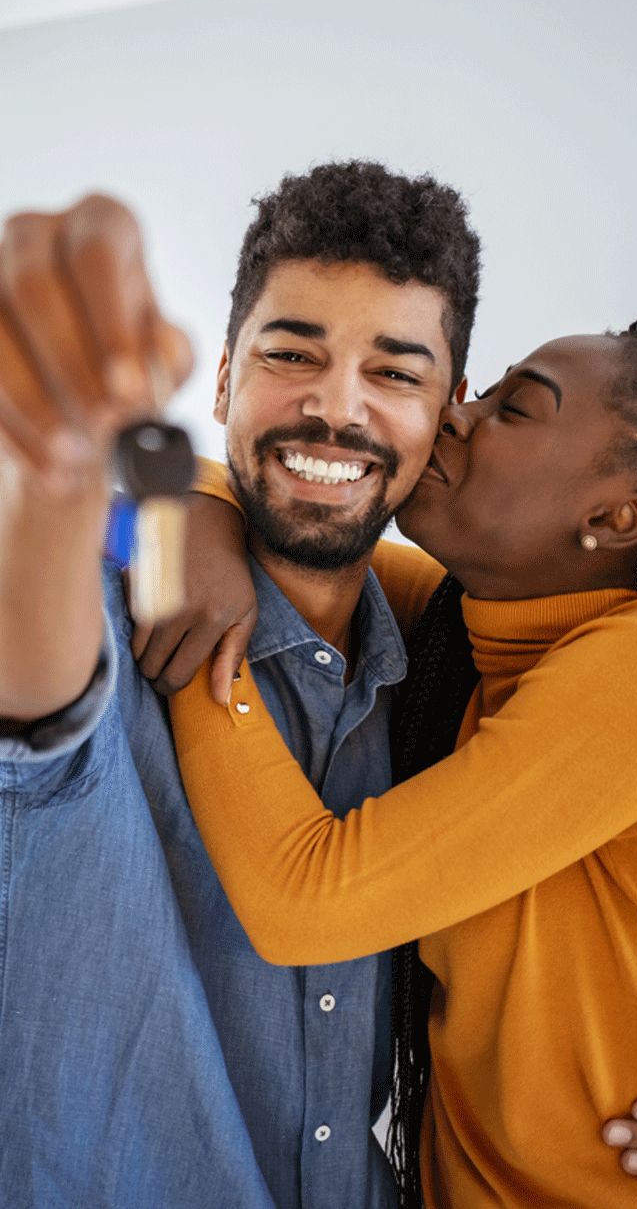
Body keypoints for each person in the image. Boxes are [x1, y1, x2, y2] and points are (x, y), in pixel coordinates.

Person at [166, 301, 637, 1207]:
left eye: (517, 408)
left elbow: (304, 899)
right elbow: (250, 516)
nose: (449, 414)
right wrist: (195, 516)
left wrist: (202, 637)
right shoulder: (468, 637)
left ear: (621, 516)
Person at [0, 164, 479, 1209]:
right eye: (290, 352)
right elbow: (32, 697)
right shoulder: (128, 599)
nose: (334, 405)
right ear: (220, 380)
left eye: (395, 373)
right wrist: (50, 468)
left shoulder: (454, 677)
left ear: (448, 419)